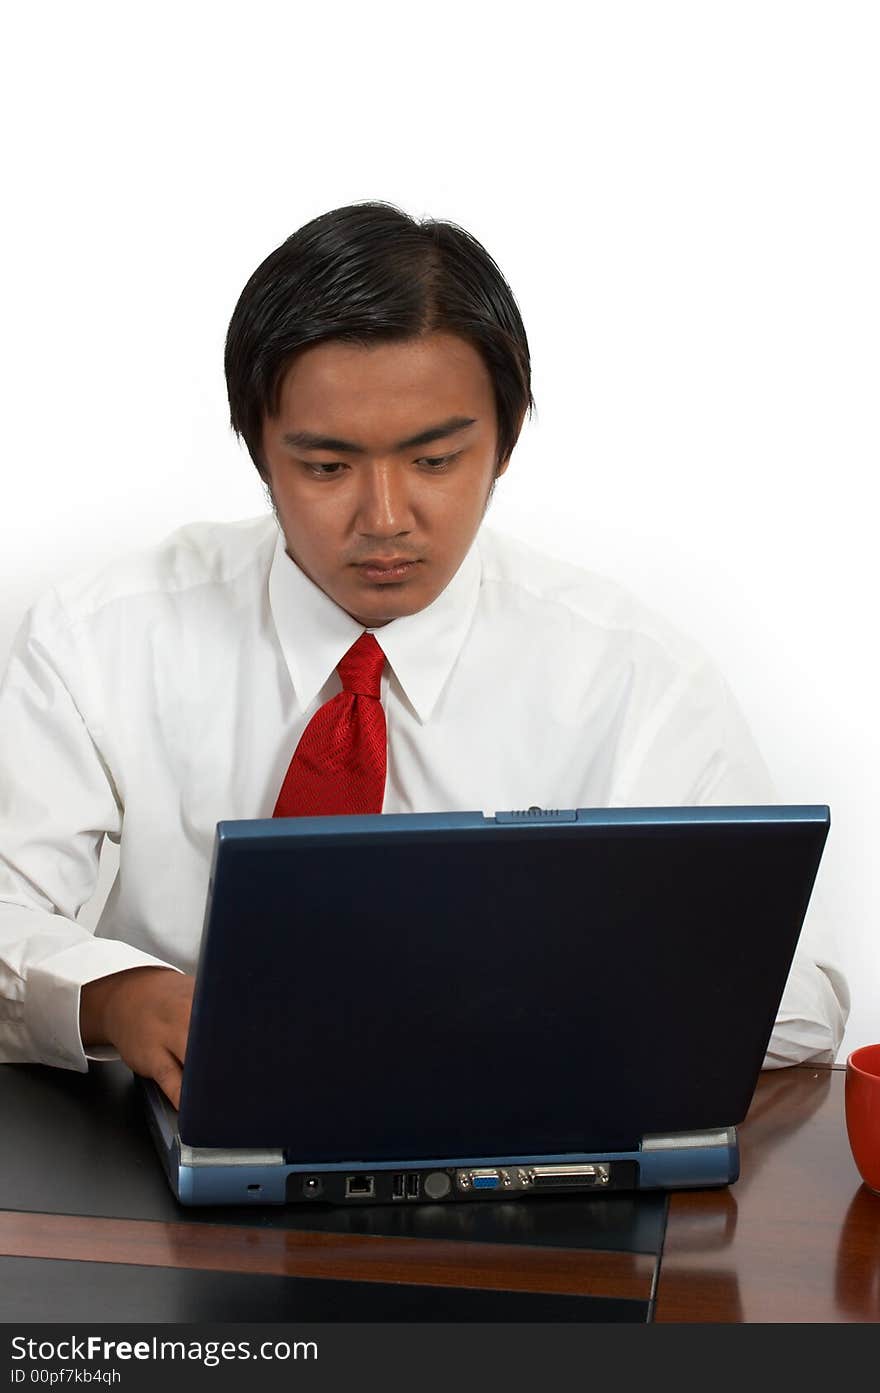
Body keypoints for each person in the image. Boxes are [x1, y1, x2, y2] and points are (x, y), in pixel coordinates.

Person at [0, 201, 849, 1109]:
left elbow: (797, 1001)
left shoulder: (633, 679)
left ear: (507, 439)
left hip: (523, 1158)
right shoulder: (100, 635)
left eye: (436, 460)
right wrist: (119, 996)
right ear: (257, 450)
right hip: (188, 1134)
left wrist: (512, 1000)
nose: (386, 518)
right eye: (327, 467)